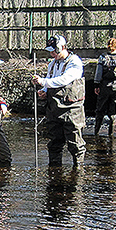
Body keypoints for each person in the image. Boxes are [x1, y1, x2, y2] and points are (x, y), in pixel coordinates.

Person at [32, 34, 86, 167]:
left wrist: (43, 81)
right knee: (54, 142)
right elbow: (50, 80)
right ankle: (54, 169)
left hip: (72, 109)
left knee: (75, 143)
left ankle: (78, 171)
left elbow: (65, 79)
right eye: (50, 51)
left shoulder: (75, 62)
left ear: (62, 47)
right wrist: (43, 91)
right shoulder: (52, 64)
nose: (52, 54)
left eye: (54, 51)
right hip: (54, 109)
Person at [93, 38, 116, 136]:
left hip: (105, 85)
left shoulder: (103, 57)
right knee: (114, 112)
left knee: (100, 110)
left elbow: (98, 72)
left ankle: (96, 132)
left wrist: (96, 84)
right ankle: (111, 134)